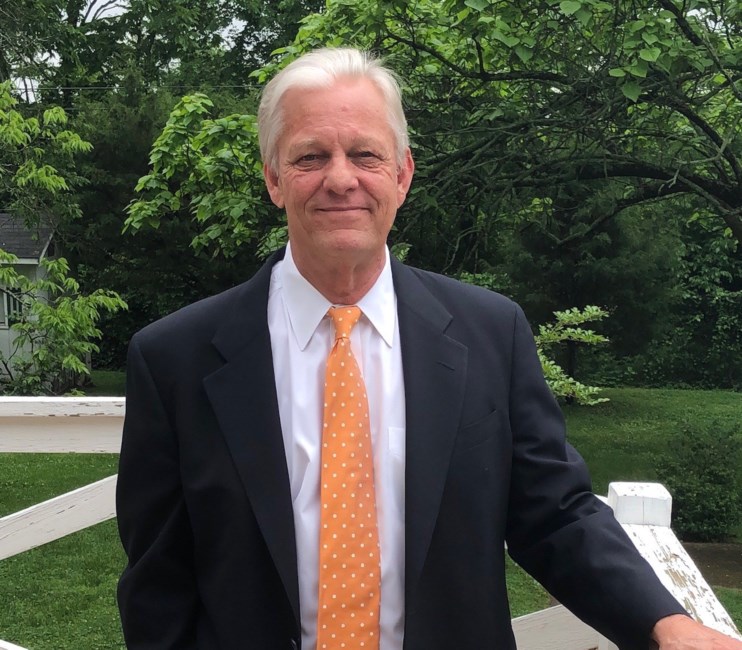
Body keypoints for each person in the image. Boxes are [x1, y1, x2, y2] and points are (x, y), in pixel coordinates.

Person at [116, 47, 742, 650]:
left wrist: (663, 622)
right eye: (311, 156)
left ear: (402, 174)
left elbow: (556, 515)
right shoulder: (174, 359)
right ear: (274, 179)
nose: (341, 178)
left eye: (365, 154)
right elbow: (157, 584)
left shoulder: (491, 333)